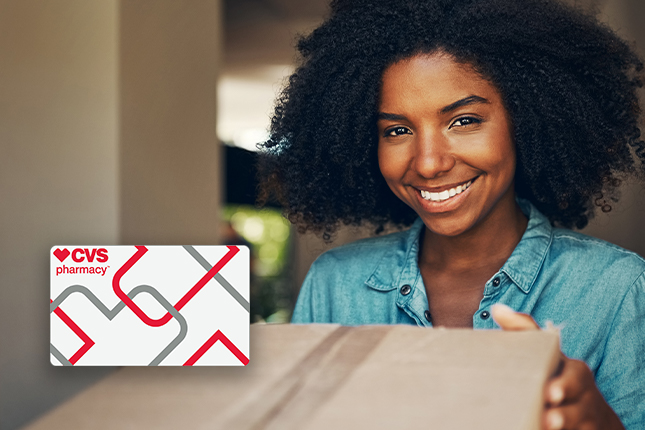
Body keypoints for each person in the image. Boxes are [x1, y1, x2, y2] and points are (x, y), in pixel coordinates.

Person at [257, 0, 645, 428]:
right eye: (397, 131)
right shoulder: (335, 284)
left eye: (463, 120)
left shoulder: (616, 288)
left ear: (528, 119)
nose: (427, 163)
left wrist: (601, 423)